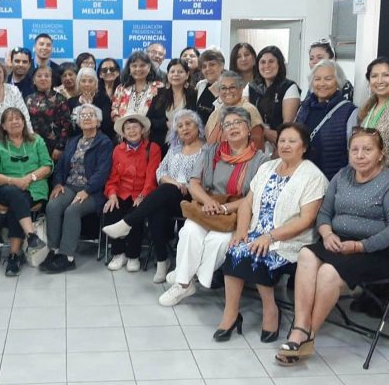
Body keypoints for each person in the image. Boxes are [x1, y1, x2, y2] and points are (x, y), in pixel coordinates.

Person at [276, 128, 389, 365]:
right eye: (355, 149)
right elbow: (324, 213)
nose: (360, 155)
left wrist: (359, 246)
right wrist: (326, 234)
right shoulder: (342, 175)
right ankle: (300, 326)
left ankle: (308, 336)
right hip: (337, 242)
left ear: (381, 154)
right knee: (307, 254)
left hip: (377, 251)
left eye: (367, 149)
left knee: (328, 271)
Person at [217, 123, 328, 343]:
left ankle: (270, 310)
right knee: (235, 250)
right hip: (257, 232)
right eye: (282, 141)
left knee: (259, 254)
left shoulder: (313, 176)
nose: (285, 145)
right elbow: (247, 202)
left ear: (304, 147)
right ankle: (231, 313)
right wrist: (241, 232)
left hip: (290, 240)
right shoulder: (268, 167)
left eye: (292, 141)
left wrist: (271, 236)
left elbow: (307, 219)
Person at [159, 106, 268, 306]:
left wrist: (226, 208)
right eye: (227, 124)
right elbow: (193, 183)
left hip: (235, 213)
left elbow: (254, 197)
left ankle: (188, 275)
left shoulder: (261, 160)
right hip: (206, 208)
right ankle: (183, 285)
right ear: (223, 131)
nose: (233, 127)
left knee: (218, 241)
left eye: (238, 123)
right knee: (189, 232)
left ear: (249, 127)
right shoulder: (210, 151)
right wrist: (209, 202)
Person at [103, 109, 205, 282]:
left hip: (191, 197)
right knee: (157, 212)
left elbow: (202, 178)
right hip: (168, 194)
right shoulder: (175, 148)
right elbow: (161, 171)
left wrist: (178, 185)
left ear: (198, 127)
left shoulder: (206, 150)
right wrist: (173, 183)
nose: (184, 128)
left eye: (188, 124)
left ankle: (127, 223)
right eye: (180, 126)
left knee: (164, 191)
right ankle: (161, 260)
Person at [41, 103, 113, 274]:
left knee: (72, 211)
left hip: (94, 191)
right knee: (53, 205)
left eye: (91, 115)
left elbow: (102, 172)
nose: (87, 118)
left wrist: (87, 190)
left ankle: (67, 257)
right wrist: (58, 183)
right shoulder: (73, 141)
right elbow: (60, 166)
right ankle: (54, 250)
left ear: (98, 121)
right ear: (78, 122)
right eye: (83, 116)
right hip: (70, 185)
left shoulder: (104, 142)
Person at [0, 108, 54, 277]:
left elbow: (47, 166)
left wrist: (29, 178)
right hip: (5, 187)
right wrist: (14, 181)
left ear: (24, 122)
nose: (15, 122)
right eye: (10, 120)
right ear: (3, 125)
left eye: (18, 118)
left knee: (18, 203)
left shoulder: (36, 140)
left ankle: (14, 255)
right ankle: (30, 235)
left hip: (34, 187)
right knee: (15, 195)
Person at [101, 114, 162, 272]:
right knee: (112, 209)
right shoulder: (118, 150)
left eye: (135, 127)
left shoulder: (152, 148)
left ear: (142, 130)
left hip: (142, 193)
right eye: (127, 128)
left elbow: (152, 176)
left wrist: (143, 195)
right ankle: (118, 253)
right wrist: (112, 194)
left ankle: (133, 255)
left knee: (136, 214)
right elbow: (112, 177)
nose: (131, 131)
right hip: (121, 192)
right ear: (123, 133)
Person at [295, 60, 359, 181]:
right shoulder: (304, 108)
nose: (322, 83)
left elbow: (354, 151)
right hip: (302, 178)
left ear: (338, 82)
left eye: (328, 79)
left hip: (333, 181)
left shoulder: (349, 111)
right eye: (317, 79)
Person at [357, 57, 389, 167]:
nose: (380, 81)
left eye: (386, 75)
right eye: (374, 76)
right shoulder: (366, 108)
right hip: (365, 171)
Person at [247, 46, 301, 155]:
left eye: (271, 61)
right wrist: (264, 132)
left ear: (279, 64)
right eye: (262, 62)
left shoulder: (289, 87)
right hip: (254, 144)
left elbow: (287, 125)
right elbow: (245, 117)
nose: (267, 65)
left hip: (280, 144)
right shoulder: (251, 87)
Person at [205, 71, 266, 150]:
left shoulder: (249, 110)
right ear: (219, 91)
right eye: (223, 88)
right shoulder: (215, 114)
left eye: (232, 87)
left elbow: (256, 144)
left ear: (241, 89)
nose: (228, 91)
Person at [147, 59, 198, 150]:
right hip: (161, 145)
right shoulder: (159, 94)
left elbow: (199, 120)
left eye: (180, 72)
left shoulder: (194, 95)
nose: (175, 74)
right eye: (172, 71)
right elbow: (149, 120)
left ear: (187, 75)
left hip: (188, 145)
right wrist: (165, 124)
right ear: (168, 75)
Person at [25, 65, 72, 161]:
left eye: (47, 76)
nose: (43, 78)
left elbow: (67, 125)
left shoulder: (60, 99)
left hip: (54, 147)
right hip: (32, 145)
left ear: (51, 80)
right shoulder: (28, 99)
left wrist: (60, 147)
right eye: (39, 76)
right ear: (34, 80)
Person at [111, 52, 163, 121]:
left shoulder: (159, 87)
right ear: (129, 68)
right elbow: (114, 110)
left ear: (149, 67)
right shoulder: (121, 89)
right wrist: (122, 125)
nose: (138, 69)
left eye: (142, 65)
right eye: (134, 66)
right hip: (124, 130)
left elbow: (161, 114)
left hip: (151, 130)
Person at [67, 67, 114, 141]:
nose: (87, 84)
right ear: (78, 83)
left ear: (96, 83)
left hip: (100, 141)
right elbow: (70, 128)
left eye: (90, 81)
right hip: (76, 141)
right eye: (83, 81)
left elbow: (106, 125)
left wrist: (90, 107)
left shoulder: (104, 100)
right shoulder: (71, 102)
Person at [195, 49, 226, 126]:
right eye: (204, 66)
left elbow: (227, 113)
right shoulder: (200, 85)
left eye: (212, 64)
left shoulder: (230, 86)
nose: (207, 69)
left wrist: (217, 95)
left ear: (221, 66)